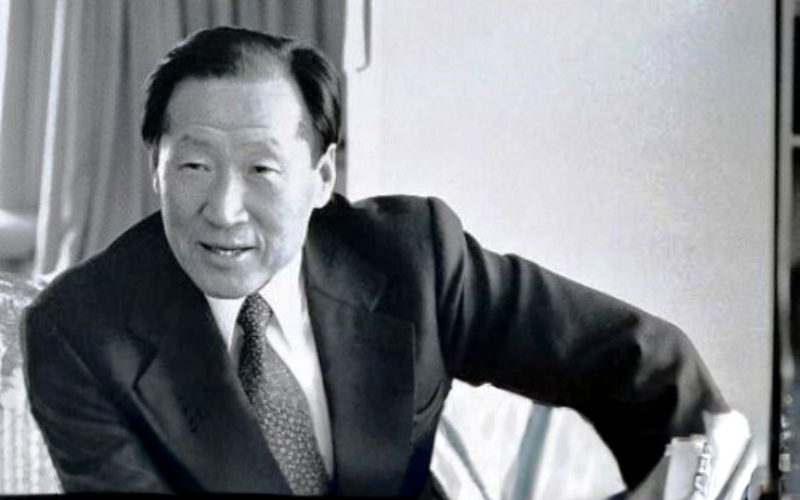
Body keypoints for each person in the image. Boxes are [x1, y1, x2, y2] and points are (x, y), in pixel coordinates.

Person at [21, 26, 731, 497]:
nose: (225, 210)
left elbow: (646, 362)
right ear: (156, 166)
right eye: (194, 166)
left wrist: (698, 482)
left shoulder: (412, 256)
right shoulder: (79, 330)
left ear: (322, 177)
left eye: (262, 169)